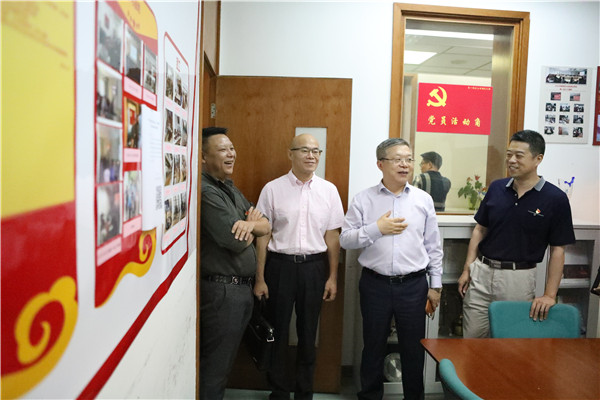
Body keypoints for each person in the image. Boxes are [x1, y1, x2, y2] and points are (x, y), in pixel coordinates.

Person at [340, 138, 443, 400]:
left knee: (413, 349)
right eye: (397, 159)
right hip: (375, 284)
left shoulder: (423, 199)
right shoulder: (364, 199)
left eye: (408, 159)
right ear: (380, 164)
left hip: (414, 285)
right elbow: (346, 239)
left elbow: (433, 246)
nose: (405, 164)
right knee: (373, 347)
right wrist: (377, 229)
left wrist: (436, 285)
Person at [457, 130, 575, 338]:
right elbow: (480, 229)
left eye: (519, 156)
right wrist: (468, 269)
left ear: (538, 159)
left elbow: (558, 250)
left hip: (517, 279)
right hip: (481, 273)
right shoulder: (497, 188)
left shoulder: (555, 198)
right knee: (472, 340)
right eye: (509, 154)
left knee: (509, 343)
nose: (511, 160)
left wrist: (550, 295)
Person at [253, 133, 344, 400]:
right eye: (304, 150)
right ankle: (279, 392)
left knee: (308, 334)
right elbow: (263, 235)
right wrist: (260, 277)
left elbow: (333, 236)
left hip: (314, 269)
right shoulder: (272, 189)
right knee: (278, 332)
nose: (311, 155)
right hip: (279, 268)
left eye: (316, 151)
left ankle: (305, 393)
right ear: (290, 154)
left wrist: (332, 277)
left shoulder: (329, 191)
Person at [200, 127, 271, 400]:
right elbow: (235, 241)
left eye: (231, 148)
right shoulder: (207, 192)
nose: (231, 154)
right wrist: (253, 227)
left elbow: (266, 225)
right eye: (222, 150)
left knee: (224, 364)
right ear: (203, 157)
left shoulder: (228, 187)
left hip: (241, 289)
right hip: (222, 292)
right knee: (215, 368)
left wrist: (251, 225)